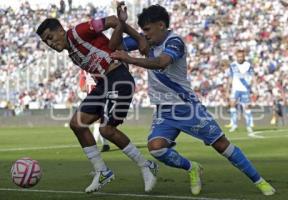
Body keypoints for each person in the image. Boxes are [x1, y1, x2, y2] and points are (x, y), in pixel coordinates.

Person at [111, 4, 275, 196]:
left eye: (147, 29)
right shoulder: (147, 40)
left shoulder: (175, 42)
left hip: (187, 108)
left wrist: (130, 59)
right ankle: (192, 168)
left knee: (221, 145)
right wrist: (121, 23)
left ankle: (260, 181)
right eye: (142, 31)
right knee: (156, 148)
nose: (144, 34)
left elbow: (161, 62)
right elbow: (114, 46)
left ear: (161, 25)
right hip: (164, 111)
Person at [36, 9, 158, 193]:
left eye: (50, 37)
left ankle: (145, 165)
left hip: (119, 79)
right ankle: (102, 171)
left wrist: (139, 38)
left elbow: (113, 21)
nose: (50, 43)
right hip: (103, 84)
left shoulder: (79, 31)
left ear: (61, 30)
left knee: (106, 130)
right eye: (46, 42)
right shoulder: (72, 52)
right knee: (77, 124)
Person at [79, 70, 110, 152]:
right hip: (97, 97)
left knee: (97, 123)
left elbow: (82, 88)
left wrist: (89, 84)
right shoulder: (94, 69)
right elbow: (83, 88)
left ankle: (93, 146)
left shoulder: (85, 72)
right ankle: (105, 144)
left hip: (96, 98)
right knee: (99, 123)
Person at [227, 49, 255, 134]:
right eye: (238, 57)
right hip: (235, 89)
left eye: (241, 57)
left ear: (244, 57)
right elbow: (230, 78)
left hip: (245, 89)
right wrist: (228, 89)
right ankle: (234, 124)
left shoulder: (248, 65)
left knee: (247, 107)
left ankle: (249, 126)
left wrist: (254, 88)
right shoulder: (232, 65)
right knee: (232, 105)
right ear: (236, 57)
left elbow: (253, 77)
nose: (240, 58)